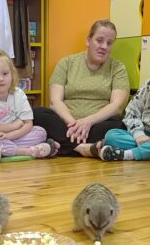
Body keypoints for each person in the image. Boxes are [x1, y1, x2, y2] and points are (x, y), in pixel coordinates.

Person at [33, 19, 129, 156]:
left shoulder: (118, 68)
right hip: (66, 123)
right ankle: (84, 148)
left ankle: (64, 146)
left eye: (109, 43)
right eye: (99, 40)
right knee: (36, 113)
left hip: (97, 125)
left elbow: (117, 106)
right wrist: (74, 124)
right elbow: (55, 101)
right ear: (88, 40)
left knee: (119, 123)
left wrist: (88, 122)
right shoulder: (66, 63)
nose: (104, 46)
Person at [0, 48, 56, 163]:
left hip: (14, 136)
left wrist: (9, 136)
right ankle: (24, 151)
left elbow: (28, 124)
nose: (1, 79)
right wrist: (12, 126)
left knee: (40, 132)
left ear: (12, 74)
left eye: (5, 74)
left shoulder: (18, 94)